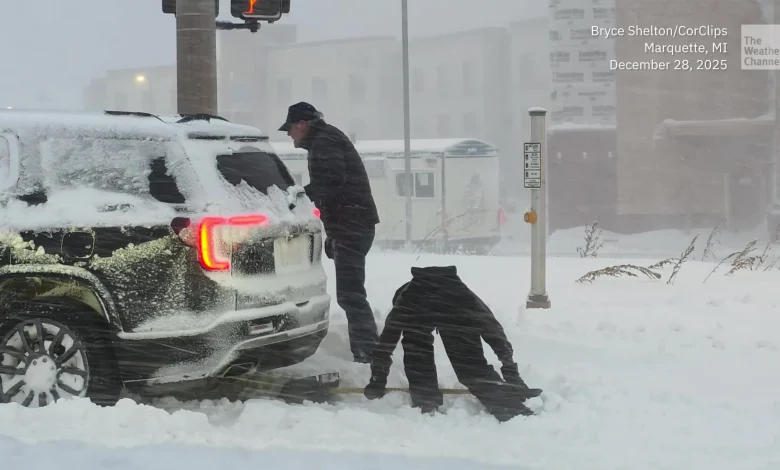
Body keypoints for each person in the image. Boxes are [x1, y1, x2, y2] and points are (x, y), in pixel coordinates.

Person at [364, 266, 542, 421]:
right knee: (470, 366)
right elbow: (494, 331)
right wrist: (513, 376)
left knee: (415, 345)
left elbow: (385, 346)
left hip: (431, 308)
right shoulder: (462, 293)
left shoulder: (406, 302)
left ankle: (426, 399)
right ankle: (510, 409)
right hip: (456, 308)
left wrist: (377, 382)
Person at [279, 102, 380, 363]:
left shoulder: (324, 141)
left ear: (302, 124)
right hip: (351, 225)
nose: (289, 134)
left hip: (352, 225)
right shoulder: (325, 139)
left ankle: (369, 354)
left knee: (351, 294)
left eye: (290, 128)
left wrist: (302, 194)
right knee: (352, 292)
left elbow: (333, 182)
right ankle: (369, 350)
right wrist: (333, 234)